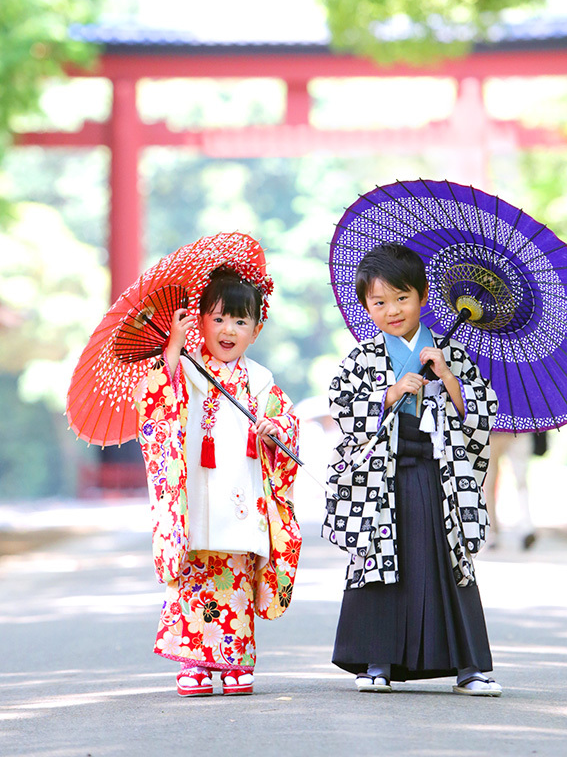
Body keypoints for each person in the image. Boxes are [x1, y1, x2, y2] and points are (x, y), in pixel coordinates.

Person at [324, 242, 501, 696]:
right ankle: (377, 662)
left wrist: (447, 376)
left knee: (448, 564)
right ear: (366, 306)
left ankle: (469, 668)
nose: (392, 310)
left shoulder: (450, 355)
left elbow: (481, 416)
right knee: (381, 562)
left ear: (422, 297)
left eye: (402, 298)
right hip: (382, 479)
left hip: (437, 474)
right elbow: (342, 410)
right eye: (379, 302)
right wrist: (388, 393)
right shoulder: (361, 358)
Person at [134, 245, 300, 697]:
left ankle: (235, 659)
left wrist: (274, 428)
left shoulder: (260, 380)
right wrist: (172, 350)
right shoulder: (184, 369)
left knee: (236, 576)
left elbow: (288, 426)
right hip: (197, 492)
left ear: (256, 328)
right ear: (200, 320)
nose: (229, 330)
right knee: (194, 574)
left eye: (240, 321)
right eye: (219, 318)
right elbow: (157, 412)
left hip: (242, 494)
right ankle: (193, 661)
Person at [483, 431, 546, 551]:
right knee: (521, 480)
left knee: (490, 482)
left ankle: (493, 533)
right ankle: (525, 527)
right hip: (519, 426)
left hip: (495, 429)